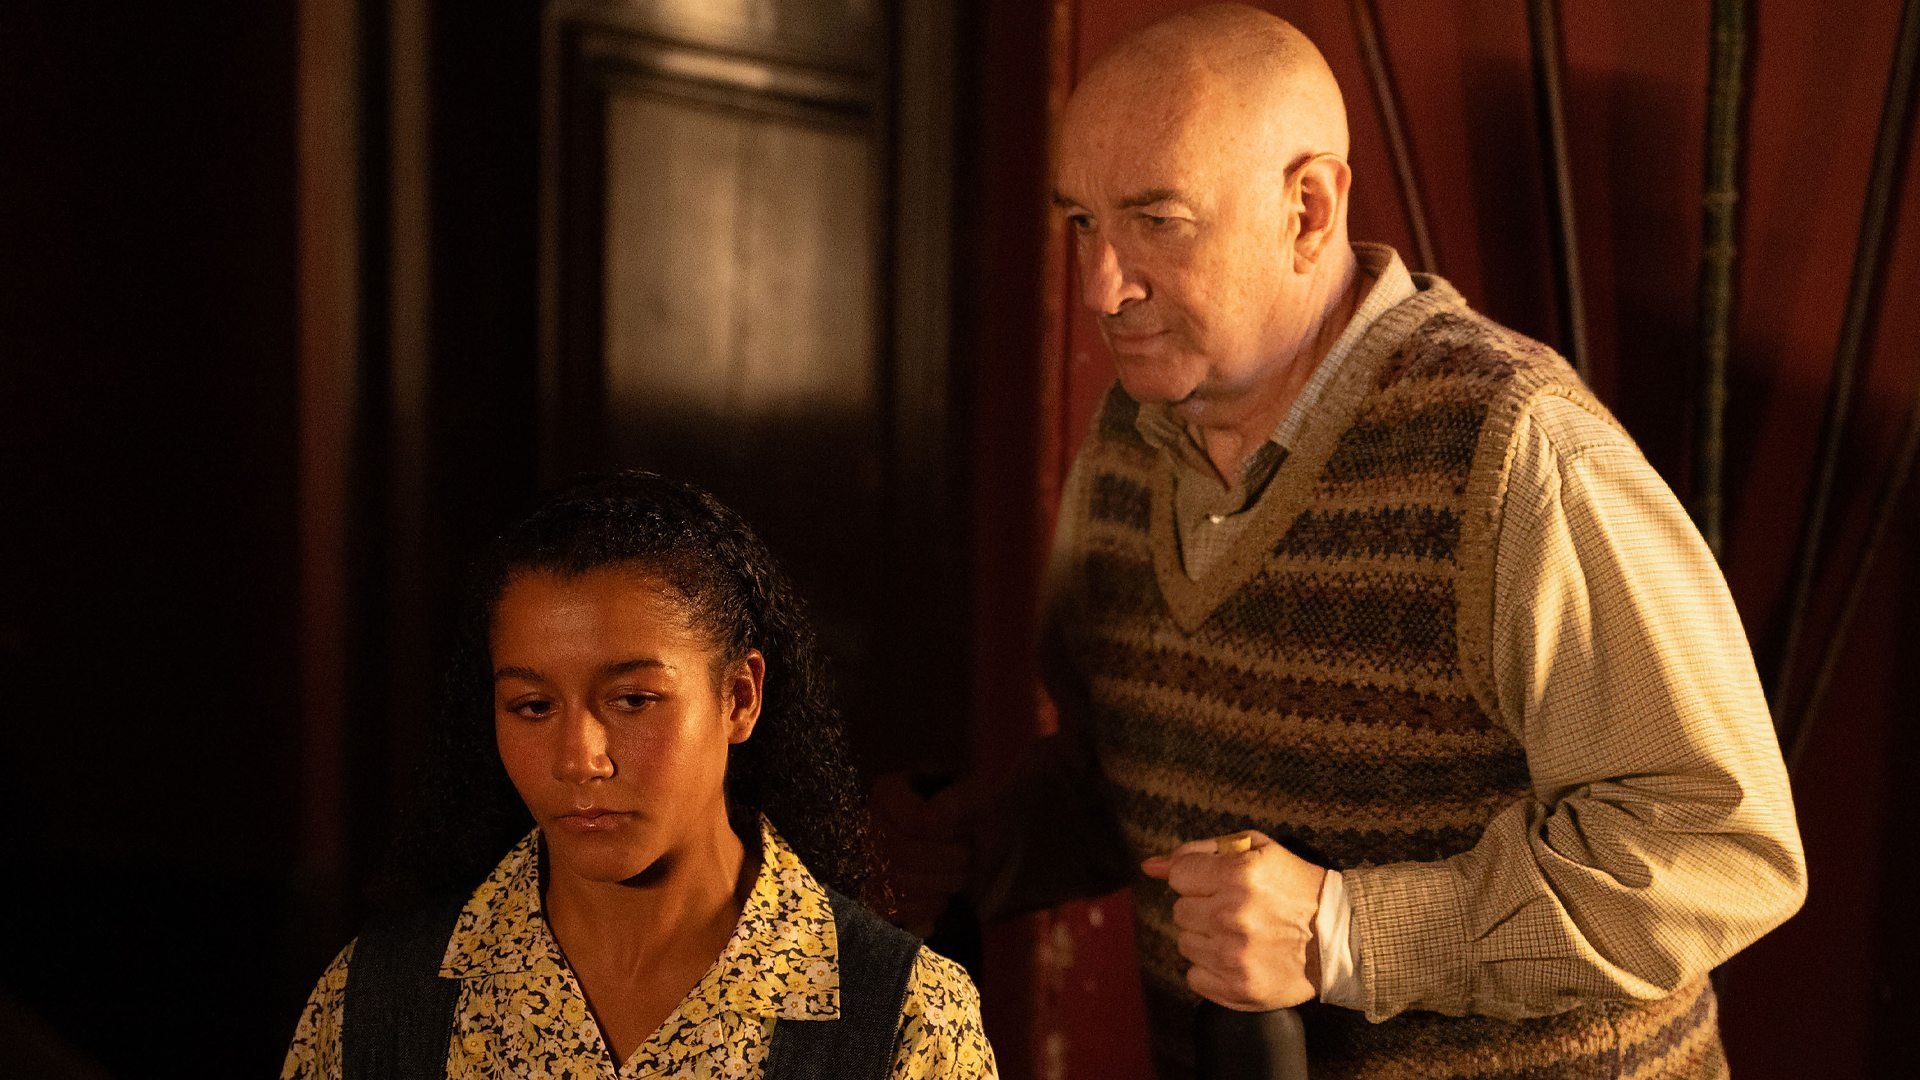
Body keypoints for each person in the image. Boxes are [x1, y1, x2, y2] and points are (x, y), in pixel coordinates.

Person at [878, 5, 1805, 1077]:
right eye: (1082, 221)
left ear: (1309, 210)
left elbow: (1717, 849)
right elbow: (1129, 781)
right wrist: (980, 848)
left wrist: (1345, 932)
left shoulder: (1514, 447)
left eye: (1158, 221)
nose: (1102, 285)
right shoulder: (1130, 441)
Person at [284, 471, 997, 1079]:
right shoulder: (376, 1004)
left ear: (740, 697)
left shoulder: (905, 1018)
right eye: (532, 706)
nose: (579, 759)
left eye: (633, 701)